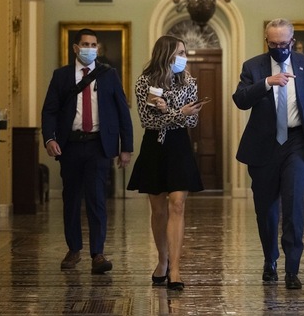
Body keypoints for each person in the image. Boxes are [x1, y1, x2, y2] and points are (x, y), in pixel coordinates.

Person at [233, 18, 304, 290]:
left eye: (284, 43)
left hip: (297, 142)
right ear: (267, 41)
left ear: (292, 39)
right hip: (263, 145)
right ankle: (270, 260)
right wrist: (266, 82)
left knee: (294, 203)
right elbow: (240, 100)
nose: (279, 48)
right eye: (273, 44)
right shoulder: (253, 66)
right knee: (266, 209)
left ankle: (292, 269)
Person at [41, 28, 133, 274]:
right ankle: (73, 249)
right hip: (70, 145)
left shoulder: (109, 75)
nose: (89, 48)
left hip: (98, 146)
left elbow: (123, 111)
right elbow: (49, 110)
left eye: (93, 45)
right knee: (71, 199)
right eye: (85, 44)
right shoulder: (61, 76)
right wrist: (49, 138)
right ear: (75, 47)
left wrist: (127, 148)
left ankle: (98, 253)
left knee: (97, 199)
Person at [127, 35, 206, 291]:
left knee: (178, 204)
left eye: (185, 52)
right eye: (178, 52)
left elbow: (192, 122)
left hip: (179, 146)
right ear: (165, 54)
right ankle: (162, 260)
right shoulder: (144, 82)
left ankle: (175, 268)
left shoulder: (189, 82)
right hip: (155, 147)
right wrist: (177, 114)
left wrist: (170, 112)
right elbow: (147, 122)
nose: (183, 57)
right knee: (158, 209)